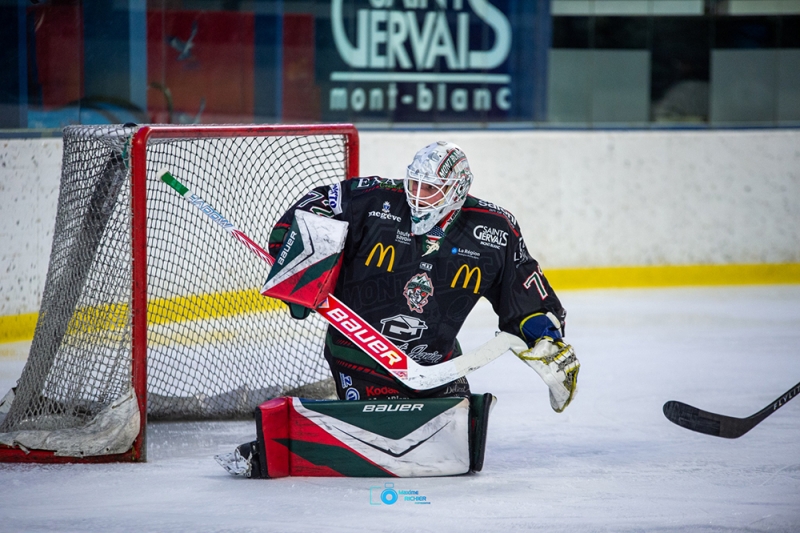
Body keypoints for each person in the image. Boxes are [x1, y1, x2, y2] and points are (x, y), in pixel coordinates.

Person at [267, 141, 579, 404]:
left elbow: (524, 296)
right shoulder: (376, 198)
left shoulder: (493, 230)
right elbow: (316, 204)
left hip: (436, 363)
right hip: (360, 355)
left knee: (454, 426)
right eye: (414, 182)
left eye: (430, 188)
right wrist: (300, 261)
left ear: (457, 190)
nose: (416, 194)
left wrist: (545, 337)